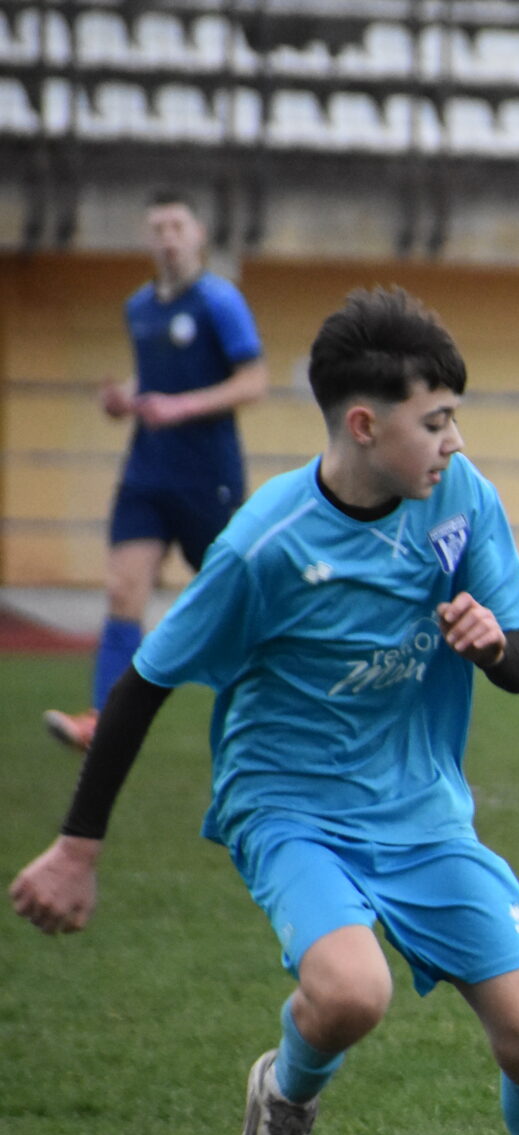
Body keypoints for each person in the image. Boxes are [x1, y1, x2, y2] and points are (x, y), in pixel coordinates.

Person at [9, 287, 519, 1135]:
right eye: (436, 420)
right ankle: (286, 1094)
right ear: (365, 424)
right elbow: (145, 683)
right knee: (351, 993)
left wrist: (491, 644)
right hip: (289, 804)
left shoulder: (461, 497)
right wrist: (77, 848)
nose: (454, 441)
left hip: (420, 805)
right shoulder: (265, 544)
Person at [44, 189, 268, 752]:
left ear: (198, 235)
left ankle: (275, 707)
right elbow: (153, 379)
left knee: (231, 601)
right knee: (123, 589)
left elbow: (254, 382)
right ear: (148, 238)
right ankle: (103, 719)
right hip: (146, 472)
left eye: (177, 227)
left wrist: (181, 406)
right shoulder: (139, 307)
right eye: (158, 228)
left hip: (207, 478)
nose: (168, 238)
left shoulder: (220, 302)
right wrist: (126, 398)